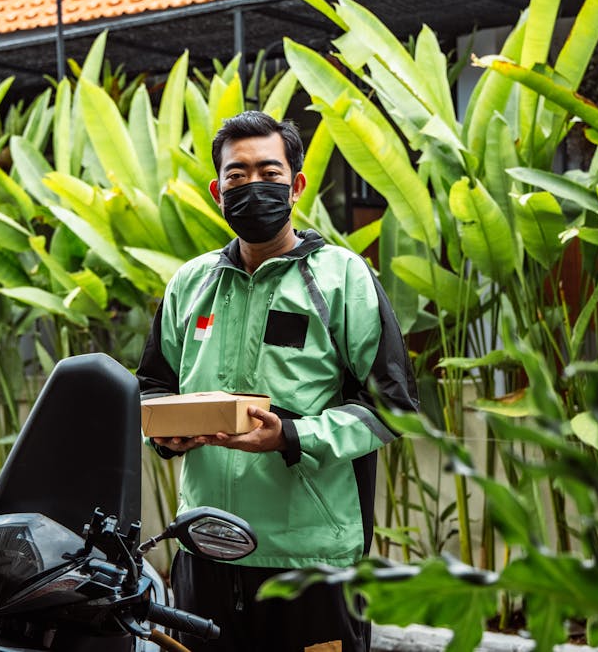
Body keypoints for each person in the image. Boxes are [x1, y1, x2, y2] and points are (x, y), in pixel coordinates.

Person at [136, 110, 418, 652]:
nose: (253, 187)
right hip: (205, 548)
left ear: (296, 185)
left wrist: (290, 436)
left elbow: (394, 405)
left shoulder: (341, 277)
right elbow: (152, 386)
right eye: (237, 177)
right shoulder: (191, 284)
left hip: (311, 559)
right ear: (218, 191)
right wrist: (164, 432)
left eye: (269, 173)